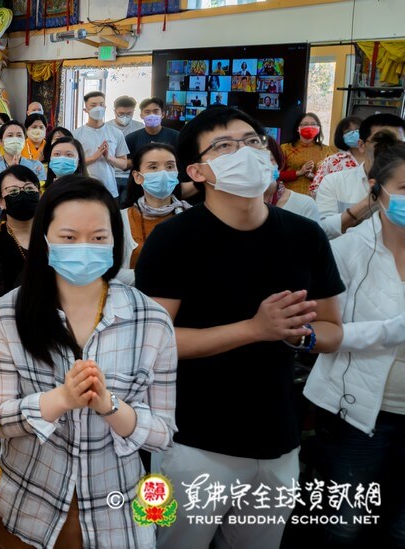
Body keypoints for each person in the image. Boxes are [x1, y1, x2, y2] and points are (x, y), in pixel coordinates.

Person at [135, 106, 344, 548]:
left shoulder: (306, 236)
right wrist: (254, 328)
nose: (245, 152)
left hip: (278, 437)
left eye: (252, 141)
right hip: (190, 442)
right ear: (197, 171)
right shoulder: (173, 239)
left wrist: (302, 335)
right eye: (225, 146)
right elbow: (153, 342)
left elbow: (331, 330)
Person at [0, 176, 176, 548]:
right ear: (45, 240)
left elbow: (163, 434)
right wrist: (60, 399)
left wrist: (109, 405)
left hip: (116, 516)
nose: (84, 248)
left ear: (115, 241)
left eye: (98, 237)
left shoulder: (151, 320)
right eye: (69, 237)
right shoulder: (8, 313)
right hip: (24, 508)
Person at [304, 132, 405, 547]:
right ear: (376, 189)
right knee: (344, 526)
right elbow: (315, 334)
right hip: (359, 415)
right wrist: (392, 330)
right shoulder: (347, 251)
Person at [315, 114, 405, 238]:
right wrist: (367, 203)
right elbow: (323, 231)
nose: (391, 149)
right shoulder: (334, 182)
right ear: (362, 145)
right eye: (382, 142)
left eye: (398, 144)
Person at [118, 143, 189, 285]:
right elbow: (109, 271)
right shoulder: (120, 219)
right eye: (153, 167)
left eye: (170, 167)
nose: (163, 173)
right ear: (138, 176)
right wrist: (155, 277)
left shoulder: (191, 217)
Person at [0, 165, 40, 306]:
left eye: (29, 189)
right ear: (0, 202)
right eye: (13, 191)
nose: (23, 195)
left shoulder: (54, 235)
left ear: (39, 194)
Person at [73, 92, 130, 198]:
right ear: (86, 110)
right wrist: (94, 157)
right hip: (84, 189)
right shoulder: (76, 134)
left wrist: (109, 158)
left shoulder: (116, 133)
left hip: (109, 189)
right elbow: (73, 163)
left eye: (101, 104)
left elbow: (123, 164)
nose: (98, 108)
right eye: (93, 105)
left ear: (105, 107)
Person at [280, 111, 338, 195]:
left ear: (318, 129)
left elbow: (332, 178)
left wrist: (313, 176)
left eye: (313, 124)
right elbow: (275, 174)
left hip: (316, 198)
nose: (309, 127)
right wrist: (299, 173)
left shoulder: (326, 151)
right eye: (305, 124)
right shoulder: (285, 148)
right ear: (298, 128)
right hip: (289, 197)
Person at [0, 120, 45, 192]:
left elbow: (41, 193)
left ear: (24, 140)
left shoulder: (36, 166)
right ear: (1, 142)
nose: (15, 139)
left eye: (19, 135)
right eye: (10, 135)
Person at [310, 115, 364, 196]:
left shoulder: (377, 159)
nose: (354, 133)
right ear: (341, 136)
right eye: (348, 131)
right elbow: (315, 190)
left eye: (358, 129)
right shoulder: (332, 161)